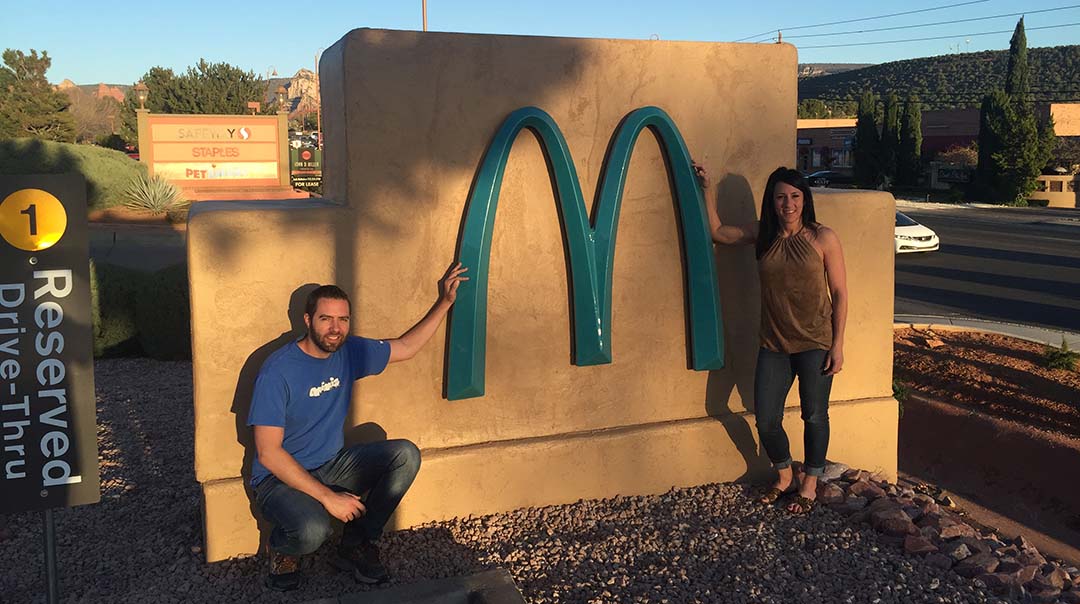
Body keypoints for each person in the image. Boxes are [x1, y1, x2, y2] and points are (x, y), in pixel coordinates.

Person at [248, 263, 468, 591]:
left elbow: (406, 347)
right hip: (277, 479)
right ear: (308, 320)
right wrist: (328, 498)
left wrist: (445, 301)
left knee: (405, 455)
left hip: (331, 464)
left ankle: (355, 544)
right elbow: (268, 453)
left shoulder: (348, 352)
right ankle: (283, 548)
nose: (335, 328)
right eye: (326, 319)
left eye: (343, 319)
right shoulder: (277, 371)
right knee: (312, 531)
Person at [696, 165, 847, 515]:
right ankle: (784, 475)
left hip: (816, 342)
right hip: (774, 343)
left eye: (795, 196)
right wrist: (706, 188)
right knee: (765, 418)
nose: (788, 204)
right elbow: (719, 233)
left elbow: (839, 292)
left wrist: (837, 345)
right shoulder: (762, 233)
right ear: (772, 201)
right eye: (781, 197)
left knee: (814, 415)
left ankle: (809, 485)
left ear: (804, 200)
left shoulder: (823, 237)